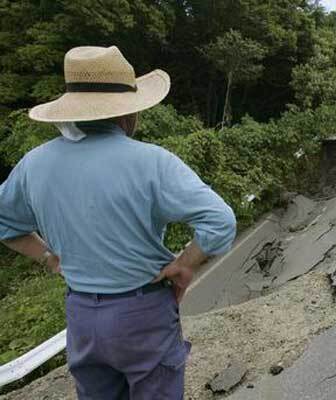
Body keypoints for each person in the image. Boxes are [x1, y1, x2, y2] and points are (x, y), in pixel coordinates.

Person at [0, 46, 237, 399]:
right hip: (143, 313)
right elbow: (220, 221)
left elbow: (6, 224)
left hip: (80, 315)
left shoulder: (34, 164)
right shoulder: (152, 162)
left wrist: (50, 259)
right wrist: (183, 264)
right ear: (130, 114)